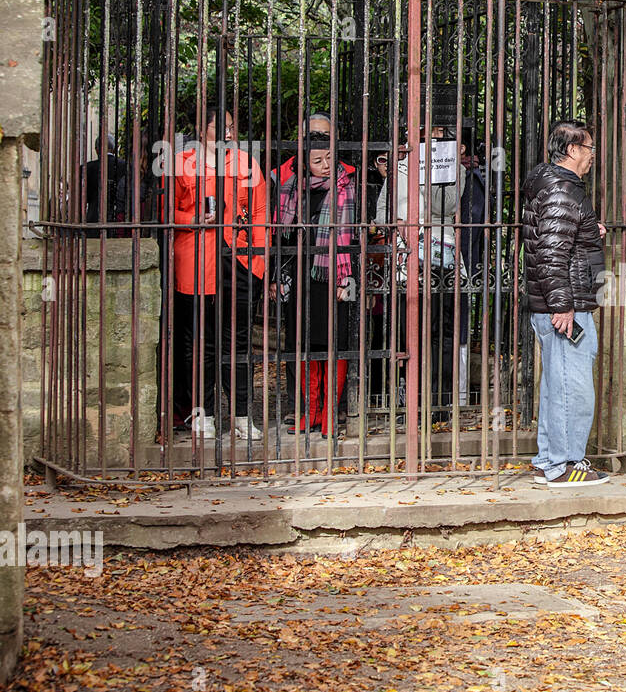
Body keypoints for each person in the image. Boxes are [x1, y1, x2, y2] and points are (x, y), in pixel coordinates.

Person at [171, 103, 268, 441]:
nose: (229, 133)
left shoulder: (246, 164)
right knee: (201, 342)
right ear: (202, 130)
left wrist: (258, 266)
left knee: (239, 342)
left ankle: (242, 415)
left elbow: (260, 214)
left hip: (239, 260)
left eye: (232, 126)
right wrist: (192, 220)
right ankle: (204, 414)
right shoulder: (183, 165)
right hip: (197, 261)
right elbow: (168, 212)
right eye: (222, 127)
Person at [522, 121, 609, 488]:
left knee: (559, 384)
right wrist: (563, 305)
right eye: (589, 149)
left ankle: (548, 459)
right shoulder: (562, 190)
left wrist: (591, 230)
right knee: (573, 387)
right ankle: (564, 464)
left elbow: (560, 237)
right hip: (564, 302)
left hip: (559, 300)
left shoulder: (554, 185)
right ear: (572, 150)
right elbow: (551, 252)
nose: (592, 157)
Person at [375, 126, 469, 418]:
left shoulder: (454, 169)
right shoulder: (400, 167)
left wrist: (431, 171)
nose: (430, 139)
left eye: (438, 136)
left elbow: (447, 205)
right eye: (425, 134)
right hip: (407, 264)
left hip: (443, 263)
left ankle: (439, 405)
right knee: (409, 333)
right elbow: (381, 210)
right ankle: (411, 403)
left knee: (442, 334)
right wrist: (397, 220)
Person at [272, 132, 360, 439]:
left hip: (333, 274)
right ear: (304, 163)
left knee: (334, 343)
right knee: (304, 343)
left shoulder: (346, 188)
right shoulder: (290, 189)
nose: (325, 165)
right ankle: (310, 410)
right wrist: (276, 277)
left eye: (328, 158)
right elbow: (279, 238)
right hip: (299, 275)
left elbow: (348, 236)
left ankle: (330, 414)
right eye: (317, 160)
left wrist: (343, 279)